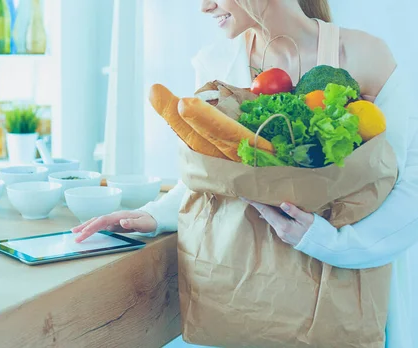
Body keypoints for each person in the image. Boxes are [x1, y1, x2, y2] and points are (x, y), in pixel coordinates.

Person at [72, 0, 416, 347]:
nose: (204, 7)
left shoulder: (363, 55)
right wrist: (152, 215)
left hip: (338, 297)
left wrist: (328, 242)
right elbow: (212, 178)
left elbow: (408, 187)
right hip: (245, 304)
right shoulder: (214, 62)